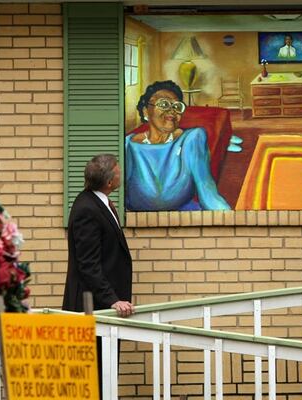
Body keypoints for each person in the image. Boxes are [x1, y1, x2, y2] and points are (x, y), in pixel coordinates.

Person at [62, 154, 134, 391]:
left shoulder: (98, 202)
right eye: (118, 170)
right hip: (93, 307)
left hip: (104, 306)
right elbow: (88, 265)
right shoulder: (87, 209)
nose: (120, 173)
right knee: (94, 375)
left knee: (105, 372)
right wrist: (113, 300)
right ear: (109, 182)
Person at [126, 80, 231, 211]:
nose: (172, 111)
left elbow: (207, 191)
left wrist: (230, 221)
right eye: (164, 104)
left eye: (177, 106)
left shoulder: (192, 139)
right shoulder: (128, 145)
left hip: (183, 215)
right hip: (136, 220)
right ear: (146, 111)